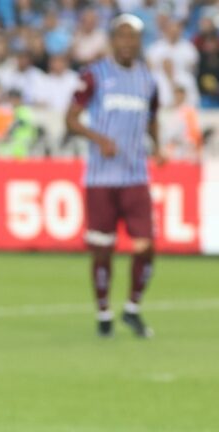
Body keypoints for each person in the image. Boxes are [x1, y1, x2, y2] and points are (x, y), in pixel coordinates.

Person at [65, 14, 164, 338]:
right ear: (112, 40)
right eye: (121, 35)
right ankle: (104, 313)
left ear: (139, 41)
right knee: (103, 248)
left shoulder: (148, 80)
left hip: (135, 176)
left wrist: (157, 147)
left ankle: (132, 308)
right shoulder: (94, 75)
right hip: (101, 178)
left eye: (132, 36)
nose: (127, 42)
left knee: (145, 246)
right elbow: (71, 119)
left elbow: (152, 119)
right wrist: (99, 139)